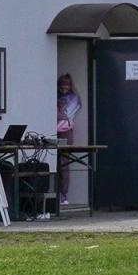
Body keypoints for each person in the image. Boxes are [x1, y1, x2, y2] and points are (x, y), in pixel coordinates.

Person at [55, 72, 81, 204]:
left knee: (64, 163)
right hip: (53, 131)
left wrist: (58, 111)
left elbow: (65, 115)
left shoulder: (73, 98)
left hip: (65, 131)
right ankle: (55, 192)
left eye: (66, 86)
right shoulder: (54, 95)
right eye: (61, 86)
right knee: (54, 163)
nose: (64, 88)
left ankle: (63, 194)